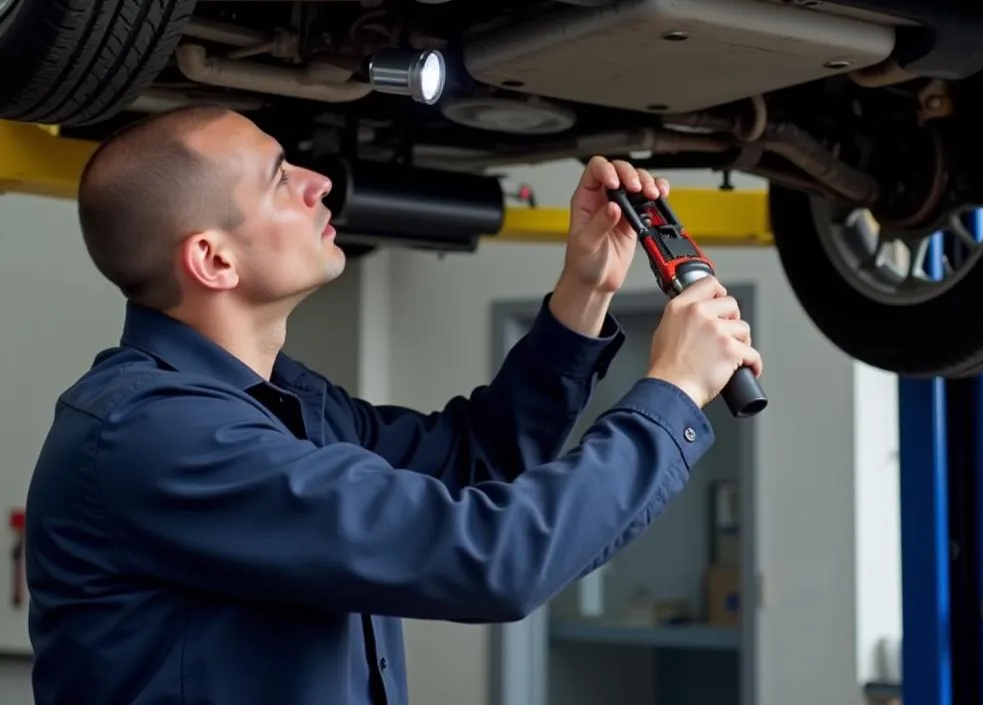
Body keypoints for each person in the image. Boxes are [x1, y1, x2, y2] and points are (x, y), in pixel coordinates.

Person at [24, 105, 763, 705]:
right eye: (282, 180)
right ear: (214, 259)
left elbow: (475, 462)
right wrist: (670, 392)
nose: (319, 183)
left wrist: (585, 290)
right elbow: (491, 558)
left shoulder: (288, 403)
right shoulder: (154, 436)